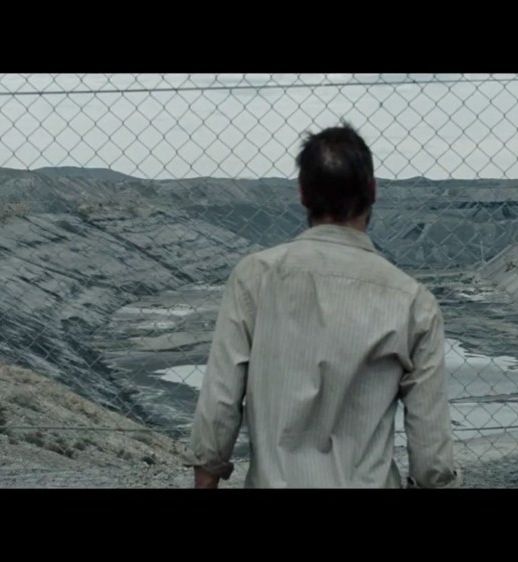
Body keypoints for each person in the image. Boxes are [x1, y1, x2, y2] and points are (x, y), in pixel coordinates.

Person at [184, 121, 461, 489]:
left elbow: (219, 406)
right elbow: (432, 459)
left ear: (303, 194)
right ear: (373, 191)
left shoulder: (254, 278)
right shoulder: (414, 303)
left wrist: (206, 475)